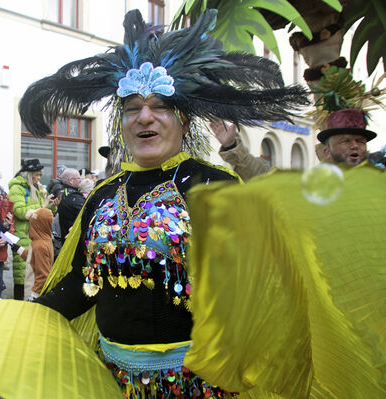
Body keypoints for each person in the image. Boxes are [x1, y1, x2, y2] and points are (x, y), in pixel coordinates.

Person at [18, 9, 308, 397]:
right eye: (132, 107)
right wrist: (30, 317)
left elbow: (262, 288)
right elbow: (84, 281)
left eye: (159, 106)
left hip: (198, 382)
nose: (144, 117)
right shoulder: (103, 195)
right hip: (112, 380)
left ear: (184, 120)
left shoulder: (215, 187)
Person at [8, 159, 57, 300]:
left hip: (37, 234)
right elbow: (19, 211)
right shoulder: (17, 188)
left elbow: (41, 214)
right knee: (22, 274)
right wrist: (43, 206)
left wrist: (51, 207)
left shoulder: (36, 189)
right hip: (24, 234)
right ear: (29, 175)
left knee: (34, 272)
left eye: (40, 175)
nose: (39, 178)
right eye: (37, 175)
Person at [10, 208, 54, 301]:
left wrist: (34, 295)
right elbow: (33, 259)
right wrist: (19, 249)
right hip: (34, 291)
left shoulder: (39, 246)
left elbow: (43, 274)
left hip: (33, 291)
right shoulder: (45, 240)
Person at [56, 168, 85, 242]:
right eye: (78, 178)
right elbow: (85, 211)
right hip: (72, 238)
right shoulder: (73, 196)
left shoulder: (62, 192)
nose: (81, 180)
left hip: (65, 236)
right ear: (71, 180)